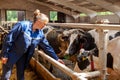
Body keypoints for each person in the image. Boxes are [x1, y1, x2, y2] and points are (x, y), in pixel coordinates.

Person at [1, 9, 64, 80]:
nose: (45, 26)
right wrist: (5, 54)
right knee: (6, 76)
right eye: (45, 24)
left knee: (21, 75)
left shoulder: (40, 34)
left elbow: (47, 47)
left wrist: (56, 58)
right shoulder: (22, 25)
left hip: (23, 55)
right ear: (39, 22)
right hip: (12, 53)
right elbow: (9, 39)